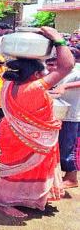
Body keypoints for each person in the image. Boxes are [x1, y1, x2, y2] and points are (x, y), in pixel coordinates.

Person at [0, 27, 75, 218]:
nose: (45, 74)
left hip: (14, 134)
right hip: (27, 139)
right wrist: (57, 39)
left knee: (24, 170)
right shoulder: (35, 88)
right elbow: (66, 66)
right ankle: (2, 202)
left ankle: (27, 199)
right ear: (35, 74)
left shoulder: (8, 84)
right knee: (19, 171)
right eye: (43, 72)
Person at [46, 57, 80, 188]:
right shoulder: (53, 74)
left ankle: (72, 179)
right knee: (58, 147)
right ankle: (61, 176)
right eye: (48, 64)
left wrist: (66, 86)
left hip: (72, 117)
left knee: (68, 148)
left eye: (53, 65)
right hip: (57, 115)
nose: (50, 68)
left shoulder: (75, 73)